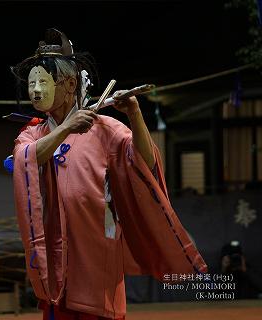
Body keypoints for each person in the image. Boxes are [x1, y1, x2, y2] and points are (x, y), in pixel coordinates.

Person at [11, 28, 208, 320]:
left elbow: (145, 163)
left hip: (95, 244)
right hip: (53, 247)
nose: (36, 90)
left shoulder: (105, 128)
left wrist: (135, 115)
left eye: (43, 81)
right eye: (32, 83)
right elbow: (24, 159)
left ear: (68, 84)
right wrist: (66, 128)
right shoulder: (31, 133)